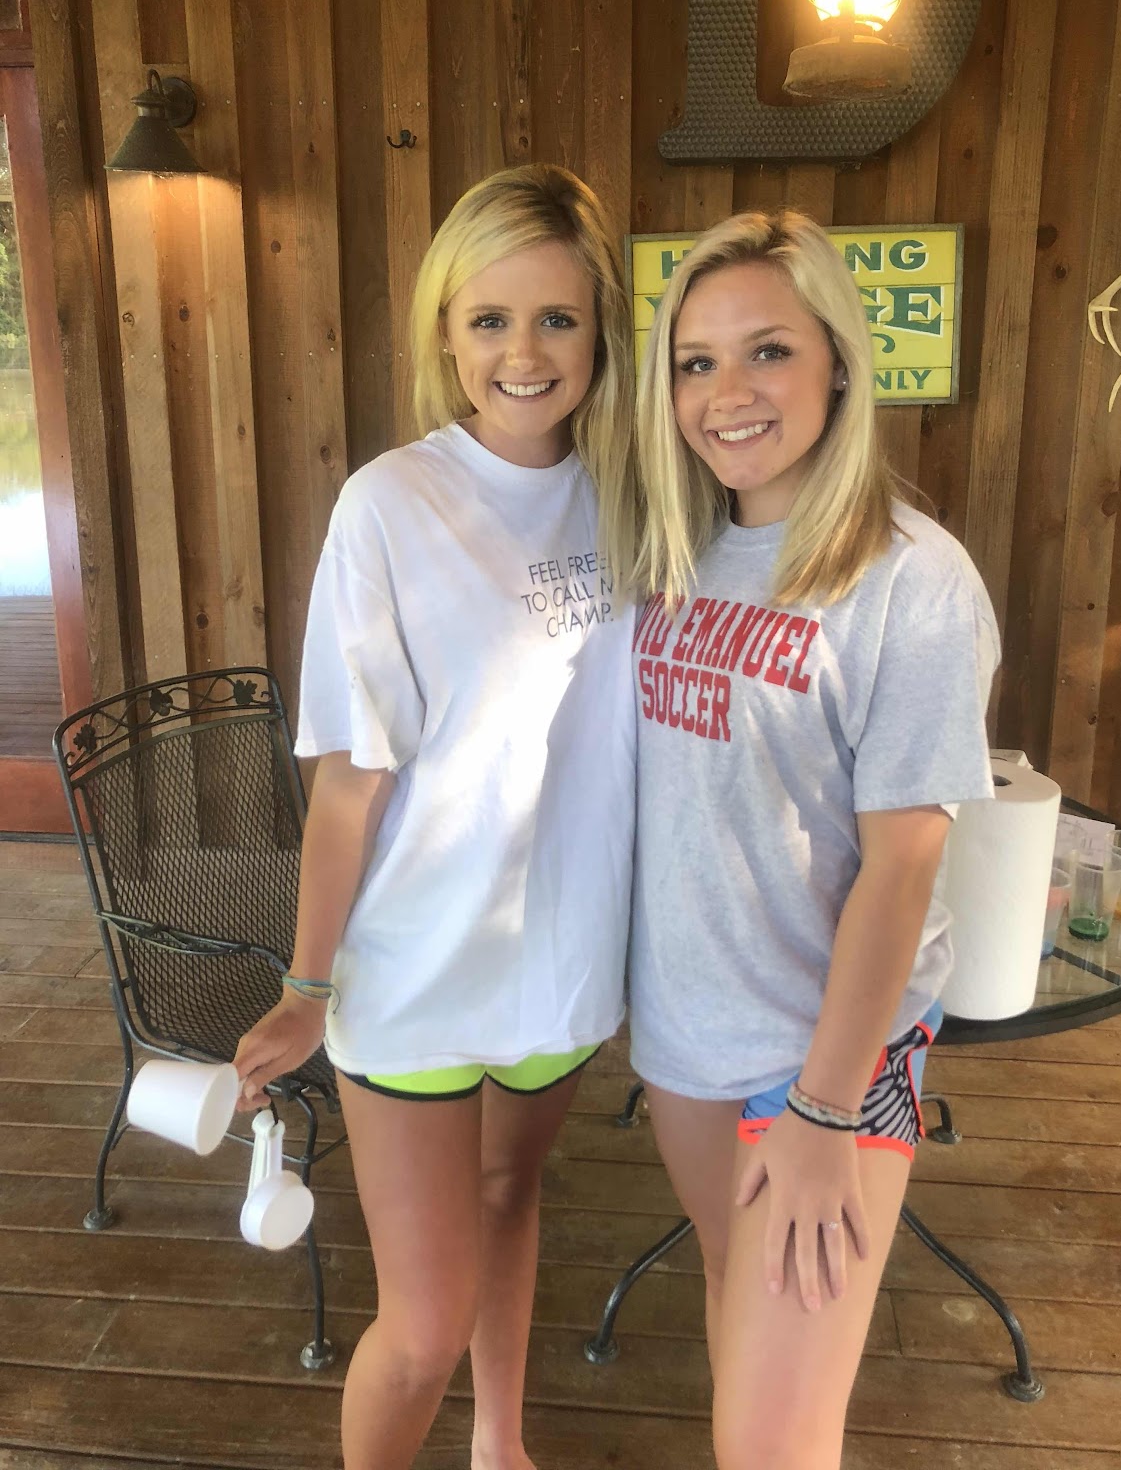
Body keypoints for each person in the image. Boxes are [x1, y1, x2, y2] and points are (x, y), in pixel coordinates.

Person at [233, 164, 640, 1470]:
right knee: (420, 1325)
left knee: (512, 1196)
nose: (524, 353)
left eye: (557, 318)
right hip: (413, 970)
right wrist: (305, 987)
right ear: (445, 333)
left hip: (562, 965)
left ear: (601, 330)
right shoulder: (391, 504)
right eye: (490, 319)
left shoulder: (640, 494)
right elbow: (351, 777)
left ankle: (499, 1445)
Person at [628, 209, 1000, 1470]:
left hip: (827, 1058)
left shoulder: (912, 579)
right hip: (686, 1031)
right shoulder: (677, 550)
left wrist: (826, 1110)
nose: (726, 393)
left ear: (839, 360)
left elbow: (905, 864)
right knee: (732, 1314)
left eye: (768, 351)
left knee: (772, 1442)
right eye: (696, 361)